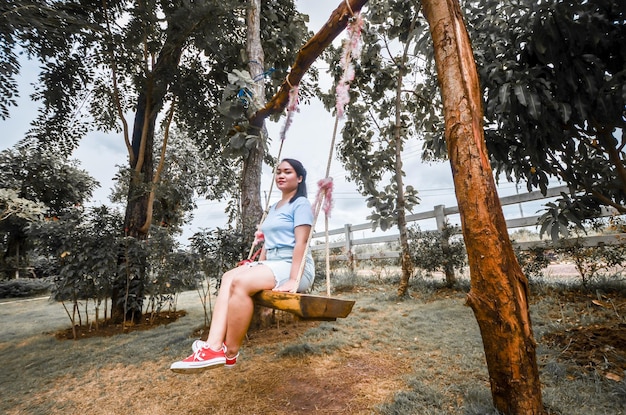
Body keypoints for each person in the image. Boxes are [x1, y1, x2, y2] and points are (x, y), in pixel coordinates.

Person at [170, 158, 315, 373]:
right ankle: (213, 346)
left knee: (240, 283)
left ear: (299, 178)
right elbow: (268, 242)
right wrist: (256, 266)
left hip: (295, 266)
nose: (281, 176)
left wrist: (294, 279)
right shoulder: (274, 207)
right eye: (278, 172)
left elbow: (301, 243)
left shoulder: (301, 204)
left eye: (288, 172)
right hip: (273, 263)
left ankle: (230, 352)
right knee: (229, 277)